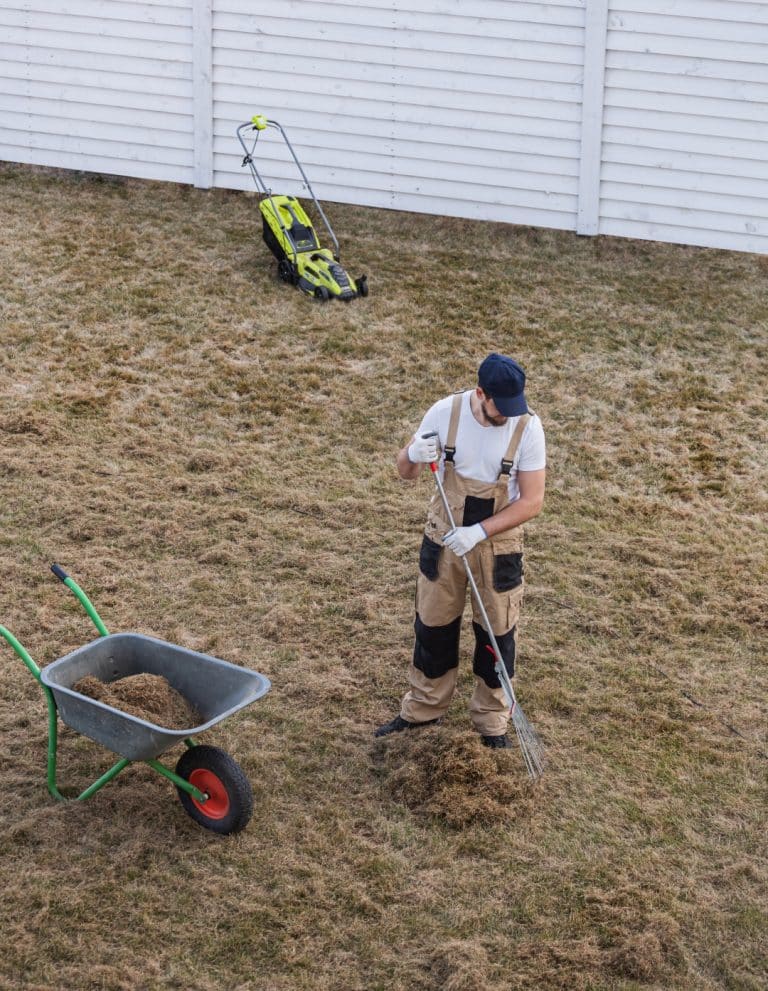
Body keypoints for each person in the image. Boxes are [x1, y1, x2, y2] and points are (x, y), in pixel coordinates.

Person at [375, 353, 546, 749]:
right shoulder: (444, 413)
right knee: (433, 626)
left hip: (497, 544)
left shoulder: (528, 427)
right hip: (444, 537)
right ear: (481, 393)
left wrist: (479, 532)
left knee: (497, 633)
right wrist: (413, 456)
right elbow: (405, 470)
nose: (507, 416)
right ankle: (423, 709)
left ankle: (492, 721)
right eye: (499, 408)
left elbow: (532, 501)